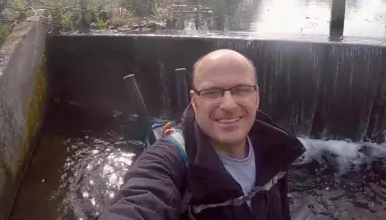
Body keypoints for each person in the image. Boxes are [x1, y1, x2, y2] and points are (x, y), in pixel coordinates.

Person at [99, 49, 305, 220]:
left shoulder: (277, 149)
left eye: (241, 89)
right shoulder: (169, 161)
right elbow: (139, 202)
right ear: (195, 101)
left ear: (257, 98)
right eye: (212, 92)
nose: (229, 105)